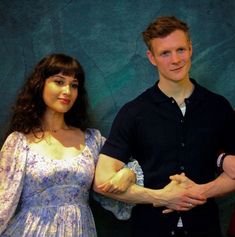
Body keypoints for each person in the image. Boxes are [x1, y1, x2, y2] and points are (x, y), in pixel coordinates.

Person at [94, 16, 235, 237]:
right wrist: (162, 196)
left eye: (180, 50)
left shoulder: (218, 107)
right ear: (152, 58)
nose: (175, 59)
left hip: (205, 229)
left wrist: (199, 192)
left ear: (190, 49)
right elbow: (101, 181)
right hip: (150, 230)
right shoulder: (134, 112)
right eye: (165, 53)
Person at [0, 53, 139, 237]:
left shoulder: (91, 140)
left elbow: (127, 165)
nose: (67, 91)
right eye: (59, 82)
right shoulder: (19, 143)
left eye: (73, 85)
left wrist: (129, 173)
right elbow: (4, 201)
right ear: (40, 84)